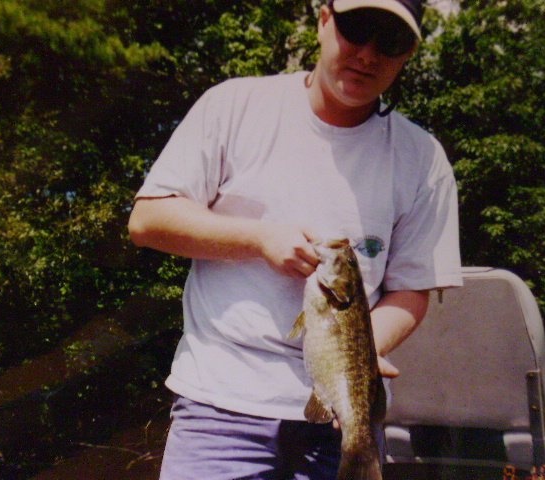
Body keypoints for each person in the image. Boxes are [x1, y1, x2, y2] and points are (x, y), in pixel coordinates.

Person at [128, 0, 463, 478]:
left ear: (408, 53)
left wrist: (361, 354)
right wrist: (258, 239)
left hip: (343, 420)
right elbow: (148, 220)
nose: (367, 54)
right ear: (324, 19)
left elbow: (413, 289)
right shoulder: (234, 106)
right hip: (218, 409)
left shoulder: (423, 160)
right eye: (357, 28)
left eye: (388, 41)